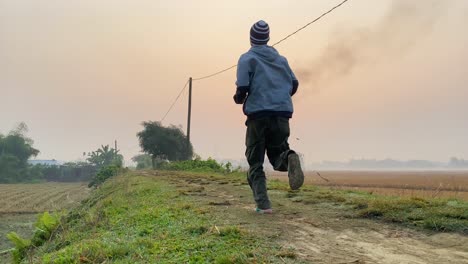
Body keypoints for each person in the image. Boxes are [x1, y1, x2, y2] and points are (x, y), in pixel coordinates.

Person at [233, 20, 304, 214]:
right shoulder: (281, 60)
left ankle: (263, 205)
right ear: (268, 38)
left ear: (251, 38)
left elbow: (243, 87)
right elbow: (294, 84)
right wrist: (278, 97)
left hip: (258, 116)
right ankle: (289, 158)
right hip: (282, 114)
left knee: (255, 161)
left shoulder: (247, 58)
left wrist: (238, 98)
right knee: (277, 156)